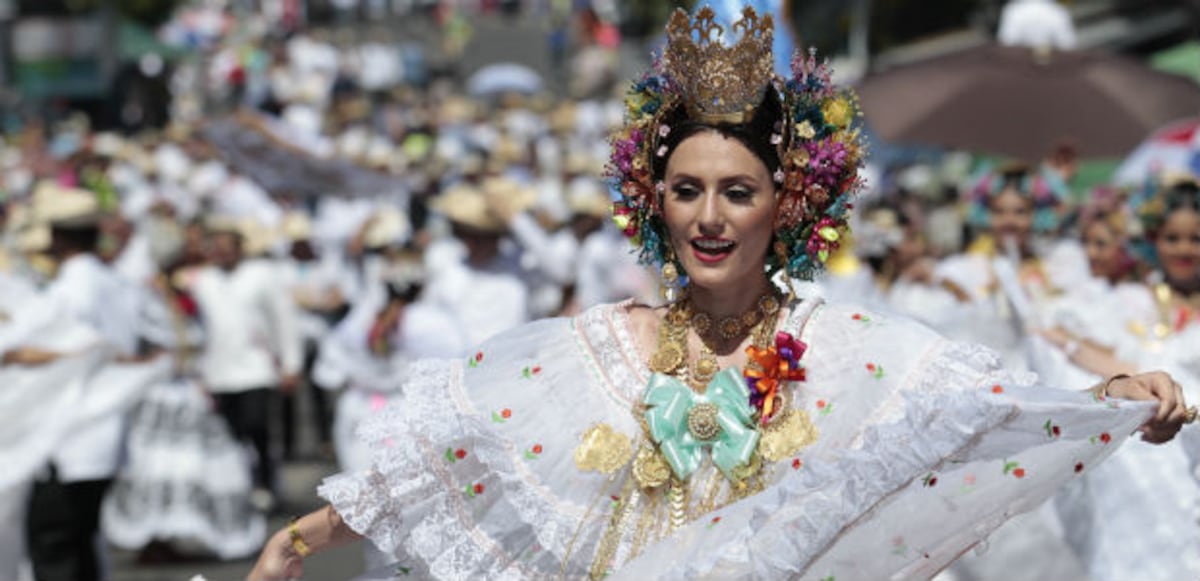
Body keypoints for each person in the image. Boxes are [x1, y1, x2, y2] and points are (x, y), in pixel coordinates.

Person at [249, 8, 1190, 580]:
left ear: (786, 205)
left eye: (737, 191)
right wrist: (301, 535)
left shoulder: (846, 346)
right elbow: (453, 460)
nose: (708, 216)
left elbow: (984, 411)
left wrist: (1107, 400)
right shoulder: (594, 348)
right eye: (686, 189)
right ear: (652, 200)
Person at [191, 219, 303, 512]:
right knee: (231, 434)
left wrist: (291, 363)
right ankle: (239, 484)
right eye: (216, 249)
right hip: (219, 371)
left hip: (256, 367)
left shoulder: (262, 275)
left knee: (258, 426)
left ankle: (266, 483)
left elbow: (283, 320)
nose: (222, 254)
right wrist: (199, 371)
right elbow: (202, 330)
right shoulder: (203, 281)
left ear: (240, 249)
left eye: (228, 248)